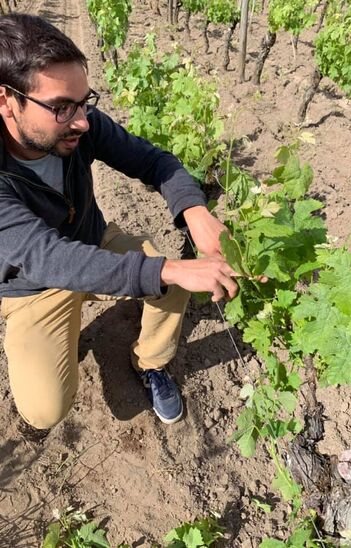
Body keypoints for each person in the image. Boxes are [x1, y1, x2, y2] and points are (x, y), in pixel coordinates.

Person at [0, 13, 238, 439]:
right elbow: (45, 256)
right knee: (44, 410)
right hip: (30, 284)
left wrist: (195, 213)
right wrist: (166, 269)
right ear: (6, 101)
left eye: (83, 101)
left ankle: (150, 364)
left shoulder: (78, 127)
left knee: (174, 276)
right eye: (60, 107)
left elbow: (154, 160)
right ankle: (58, 331)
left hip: (92, 240)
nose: (82, 121)